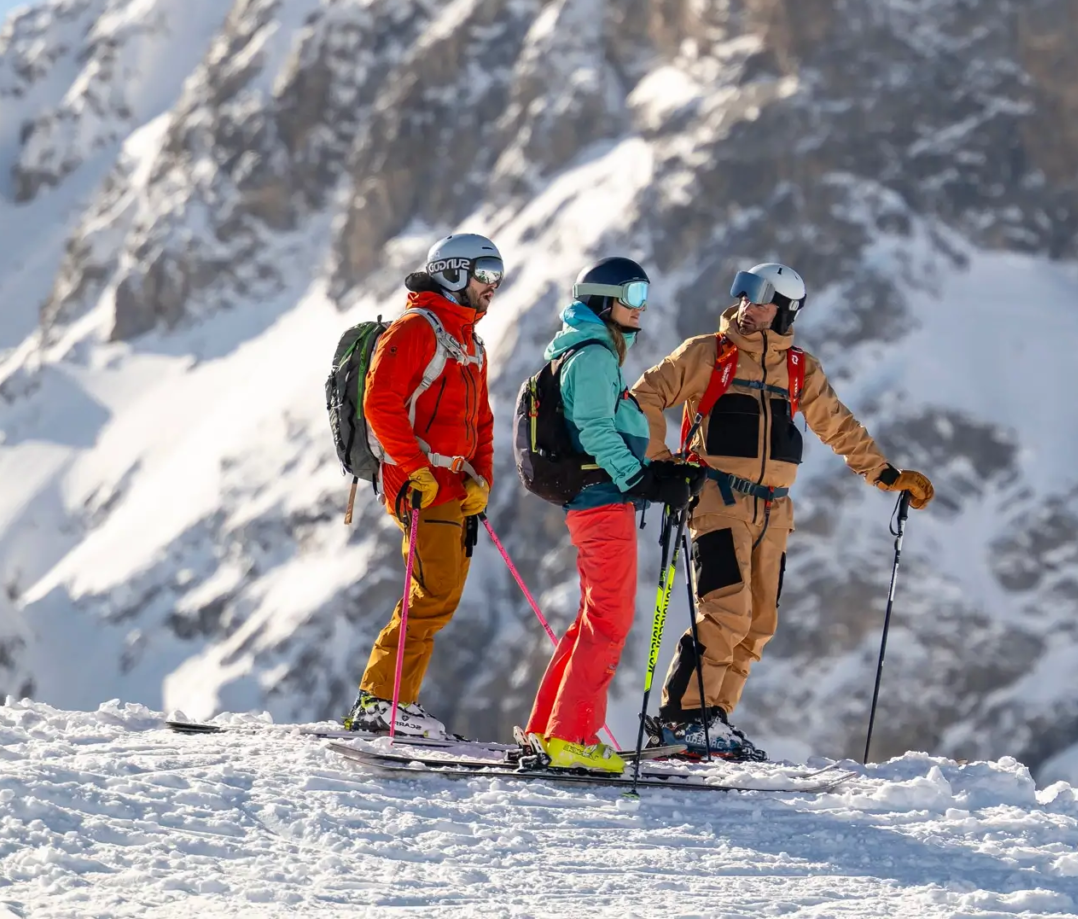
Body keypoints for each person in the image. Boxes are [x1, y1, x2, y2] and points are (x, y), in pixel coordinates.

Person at [628, 262, 935, 757]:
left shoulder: (800, 368)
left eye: (762, 300)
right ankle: (682, 718)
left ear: (786, 311)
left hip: (774, 511)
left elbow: (836, 424)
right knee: (726, 610)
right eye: (746, 295)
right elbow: (643, 397)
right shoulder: (707, 353)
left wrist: (886, 474)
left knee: (758, 622)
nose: (748, 308)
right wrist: (663, 465)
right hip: (717, 501)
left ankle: (713, 722)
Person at [518, 256, 699, 773]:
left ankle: (548, 730)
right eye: (632, 296)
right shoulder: (594, 356)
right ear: (602, 300)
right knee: (610, 621)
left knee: (590, 620)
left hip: (597, 499)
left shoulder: (584, 351)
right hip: (602, 502)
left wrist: (656, 475)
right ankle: (570, 738)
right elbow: (596, 428)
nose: (642, 308)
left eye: (645, 295)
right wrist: (642, 479)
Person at [345, 232, 502, 740]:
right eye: (485, 274)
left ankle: (395, 701)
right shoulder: (416, 329)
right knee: (431, 592)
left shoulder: (470, 340)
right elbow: (380, 402)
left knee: (441, 595)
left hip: (454, 488)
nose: (492, 285)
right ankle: (382, 701)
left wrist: (483, 478)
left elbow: (483, 421)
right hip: (420, 485)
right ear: (454, 271)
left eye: (497, 275)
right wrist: (413, 468)